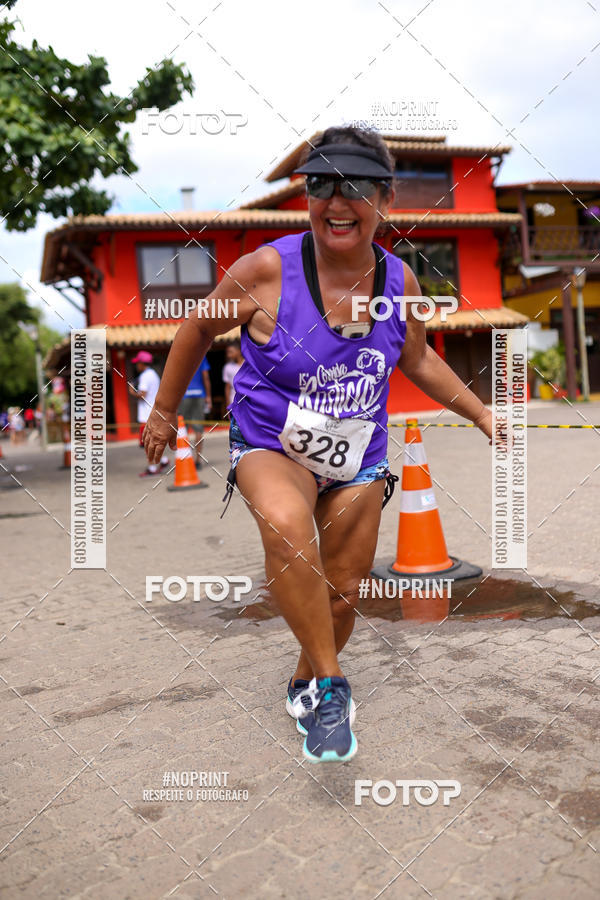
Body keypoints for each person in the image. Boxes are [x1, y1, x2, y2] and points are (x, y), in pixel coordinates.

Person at [142, 125, 497, 764]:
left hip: (358, 454)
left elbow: (417, 360)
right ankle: (332, 690)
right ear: (306, 196)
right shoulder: (266, 271)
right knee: (285, 526)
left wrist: (481, 414)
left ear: (385, 196)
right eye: (320, 185)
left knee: (342, 590)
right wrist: (165, 412)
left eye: (355, 185)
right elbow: (196, 328)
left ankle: (307, 677)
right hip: (272, 445)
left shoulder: (399, 284)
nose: (337, 201)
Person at [128, 351, 169, 477]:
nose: (136, 366)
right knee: (153, 441)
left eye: (137, 363)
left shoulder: (146, 376)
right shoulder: (153, 374)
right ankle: (163, 460)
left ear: (141, 363)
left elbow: (142, 395)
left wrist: (131, 390)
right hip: (152, 413)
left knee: (147, 443)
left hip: (146, 415)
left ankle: (152, 467)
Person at [179, 357, 212, 468]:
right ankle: (198, 460)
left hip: (185, 396)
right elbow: (206, 377)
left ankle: (186, 459)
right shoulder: (201, 357)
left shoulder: (182, 356)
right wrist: (208, 396)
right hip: (199, 394)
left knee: (183, 429)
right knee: (198, 429)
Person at [222, 341, 244, 407]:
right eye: (227, 353)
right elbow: (227, 387)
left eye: (231, 352)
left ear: (239, 351)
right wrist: (228, 405)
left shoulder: (248, 365)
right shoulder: (227, 367)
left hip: (248, 402)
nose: (228, 355)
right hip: (233, 401)